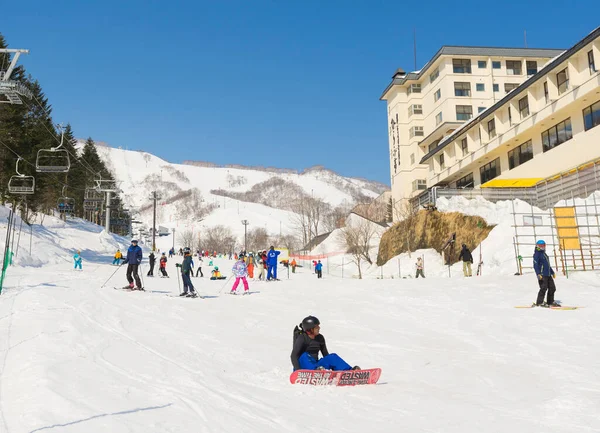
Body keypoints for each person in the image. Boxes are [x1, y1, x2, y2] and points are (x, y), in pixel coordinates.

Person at [291, 316, 359, 371]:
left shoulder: (320, 338)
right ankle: (315, 371)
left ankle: (349, 372)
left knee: (332, 356)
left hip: (317, 367)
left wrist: (331, 364)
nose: (319, 328)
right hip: (302, 367)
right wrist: (298, 371)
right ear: (310, 329)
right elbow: (294, 356)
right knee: (304, 355)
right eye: (316, 327)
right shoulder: (302, 338)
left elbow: (326, 355)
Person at [533, 240, 559, 307]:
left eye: (543, 245)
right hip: (542, 274)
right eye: (540, 245)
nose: (542, 247)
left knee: (552, 288)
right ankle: (539, 302)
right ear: (537, 246)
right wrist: (538, 273)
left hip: (548, 274)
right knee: (543, 288)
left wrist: (552, 272)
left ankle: (550, 302)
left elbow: (547, 265)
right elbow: (535, 265)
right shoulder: (537, 254)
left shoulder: (544, 254)